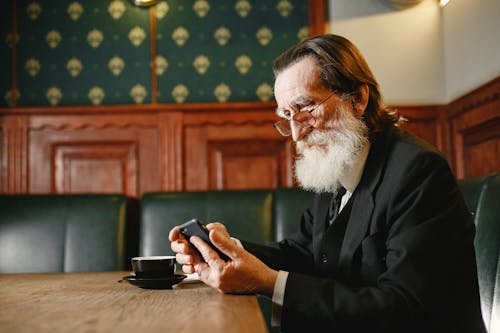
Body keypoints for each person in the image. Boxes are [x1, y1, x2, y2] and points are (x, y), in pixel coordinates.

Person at [169, 34, 485, 333]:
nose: (296, 134)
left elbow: (404, 308)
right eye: (286, 115)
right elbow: (304, 253)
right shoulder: (338, 161)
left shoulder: (418, 172)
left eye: (306, 109)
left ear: (358, 99)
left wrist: (268, 282)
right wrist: (225, 250)